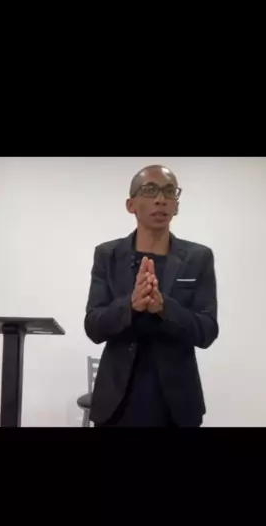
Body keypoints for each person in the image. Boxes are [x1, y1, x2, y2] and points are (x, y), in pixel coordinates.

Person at [84, 164, 219, 427]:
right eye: (150, 190)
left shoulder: (198, 257)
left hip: (177, 405)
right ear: (130, 205)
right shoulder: (107, 255)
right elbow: (93, 327)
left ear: (176, 206)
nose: (161, 199)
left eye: (169, 191)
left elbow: (207, 331)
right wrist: (130, 305)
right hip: (117, 403)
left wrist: (165, 307)